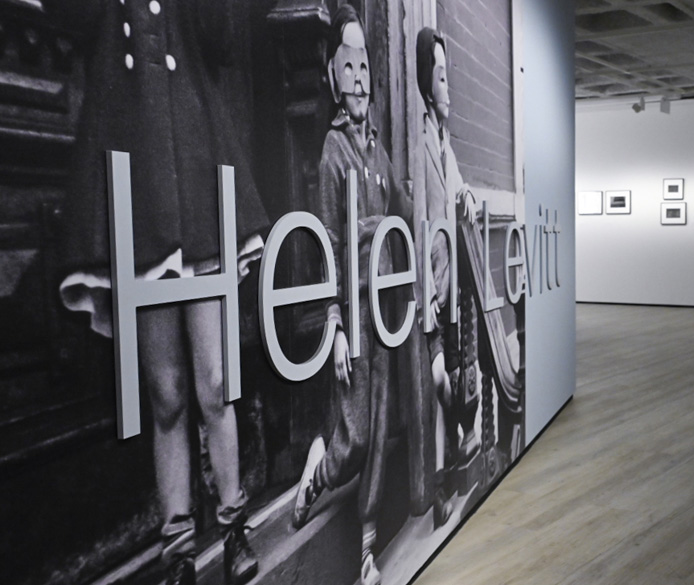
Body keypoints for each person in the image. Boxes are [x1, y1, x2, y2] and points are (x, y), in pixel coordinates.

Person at [46, 1, 266, 583]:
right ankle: (178, 552)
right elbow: (68, 21)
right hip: (135, 193)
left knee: (215, 384)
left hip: (197, 186)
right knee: (166, 395)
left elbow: (221, 40)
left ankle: (235, 528)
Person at [291, 7, 410, 585]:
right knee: (356, 433)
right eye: (349, 66)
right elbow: (326, 247)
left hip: (387, 311)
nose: (360, 77)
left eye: (365, 65)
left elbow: (403, 216)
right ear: (333, 77)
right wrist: (336, 323)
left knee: (383, 428)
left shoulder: (377, 150)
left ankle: (365, 552)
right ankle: (319, 467)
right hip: (355, 312)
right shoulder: (334, 152)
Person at [415, 27, 482, 528]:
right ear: (425, 81)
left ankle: (444, 482)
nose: (448, 86)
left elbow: (461, 197)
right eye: (440, 76)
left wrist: (468, 200)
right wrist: (422, 293)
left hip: (453, 283)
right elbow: (417, 221)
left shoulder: (445, 142)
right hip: (432, 290)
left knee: (454, 379)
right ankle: (460, 443)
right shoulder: (419, 143)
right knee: (440, 381)